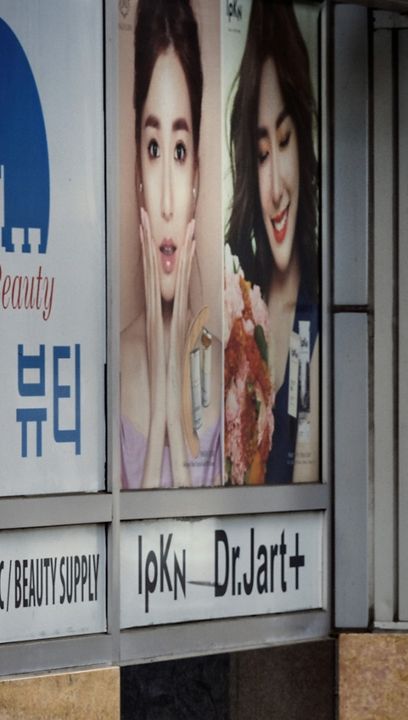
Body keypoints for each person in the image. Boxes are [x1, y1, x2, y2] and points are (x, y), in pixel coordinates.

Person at [121, 0, 222, 489]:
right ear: (136, 171)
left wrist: (175, 391)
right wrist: (162, 399)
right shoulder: (107, 370)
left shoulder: (227, 376)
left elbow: (210, 552)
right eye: (153, 148)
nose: (165, 201)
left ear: (199, 175)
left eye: (179, 152)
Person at [225, 0, 320, 484]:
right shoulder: (236, 308)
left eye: (283, 142)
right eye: (262, 154)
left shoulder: (328, 309)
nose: (276, 186)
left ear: (303, 143)